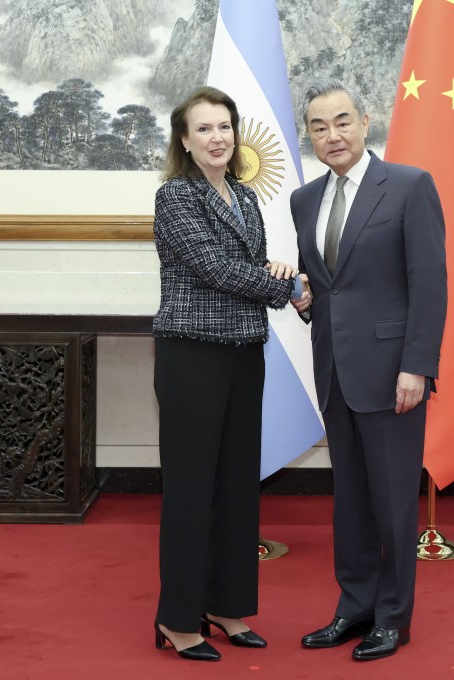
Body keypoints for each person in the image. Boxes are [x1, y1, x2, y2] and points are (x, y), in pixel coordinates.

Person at [289, 79, 447, 661]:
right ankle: (352, 608)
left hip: (392, 375)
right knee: (350, 499)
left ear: (365, 121)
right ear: (309, 134)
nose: (333, 135)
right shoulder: (304, 200)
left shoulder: (408, 186)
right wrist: (306, 303)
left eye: (342, 121)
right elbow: (327, 287)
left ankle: (392, 617)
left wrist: (418, 366)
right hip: (334, 370)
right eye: (319, 126)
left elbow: (429, 286)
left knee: (394, 501)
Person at [152, 86, 305, 662]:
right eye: (205, 129)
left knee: (239, 484)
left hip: (244, 351)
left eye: (225, 127)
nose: (218, 138)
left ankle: (225, 607)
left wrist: (275, 273)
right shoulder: (176, 197)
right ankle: (178, 620)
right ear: (186, 141)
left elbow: (245, 265)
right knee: (192, 488)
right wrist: (288, 288)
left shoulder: (244, 197)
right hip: (192, 354)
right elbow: (214, 267)